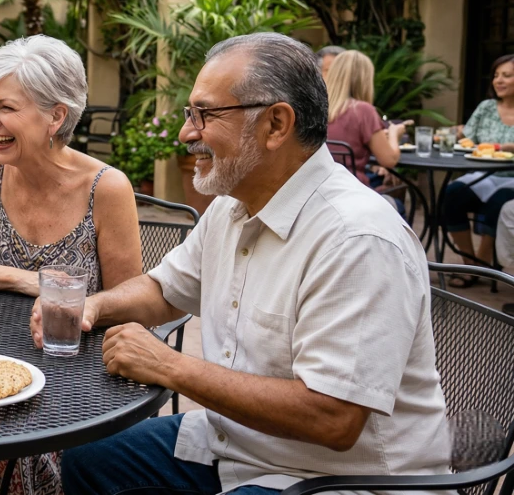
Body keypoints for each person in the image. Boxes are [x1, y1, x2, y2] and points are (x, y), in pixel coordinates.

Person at [40, 33, 449, 495]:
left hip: (341, 479)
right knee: (90, 457)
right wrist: (92, 307)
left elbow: (333, 418)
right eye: (189, 114)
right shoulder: (233, 206)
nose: (186, 133)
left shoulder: (357, 239)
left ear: (276, 125)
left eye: (205, 114)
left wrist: (169, 365)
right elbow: (163, 290)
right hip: (238, 448)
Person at [0, 35, 142, 495]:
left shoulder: (107, 188)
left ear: (56, 116)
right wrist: (27, 279)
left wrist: (84, 307)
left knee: (26, 445)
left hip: (75, 376)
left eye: (6, 108)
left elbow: (131, 304)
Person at [443, 54, 514, 283]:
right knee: (452, 194)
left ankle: (482, 266)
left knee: (498, 204)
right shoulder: (486, 107)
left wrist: (501, 146)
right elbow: (467, 138)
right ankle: (469, 262)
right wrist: (449, 133)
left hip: (511, 178)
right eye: (496, 75)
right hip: (482, 174)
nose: (498, 81)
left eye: (507, 75)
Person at [323, 49, 408, 184]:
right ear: (365, 80)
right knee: (397, 199)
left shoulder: (317, 108)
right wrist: (394, 133)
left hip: (319, 191)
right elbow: (389, 160)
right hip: (353, 192)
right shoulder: (362, 111)